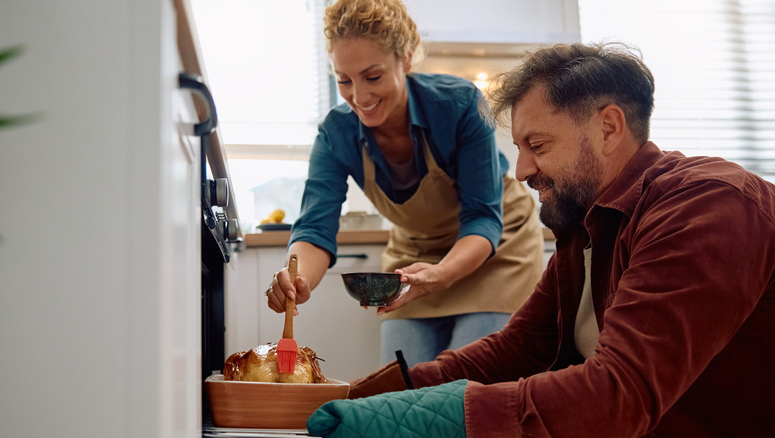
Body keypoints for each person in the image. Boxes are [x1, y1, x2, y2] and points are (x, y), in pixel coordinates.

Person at [304, 42, 775, 437]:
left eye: (539, 146)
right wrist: (358, 394)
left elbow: (618, 395)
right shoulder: (586, 227)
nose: (522, 170)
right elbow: (518, 349)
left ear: (608, 128)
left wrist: (429, 419)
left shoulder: (708, 205)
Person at [264, 0, 544, 367]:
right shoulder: (336, 133)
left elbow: (482, 217)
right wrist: (298, 280)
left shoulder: (460, 105)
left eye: (373, 76)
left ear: (406, 58)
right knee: (401, 389)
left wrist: (442, 274)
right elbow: (316, 228)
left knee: (464, 386)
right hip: (413, 262)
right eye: (343, 80)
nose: (359, 98)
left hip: (495, 250)